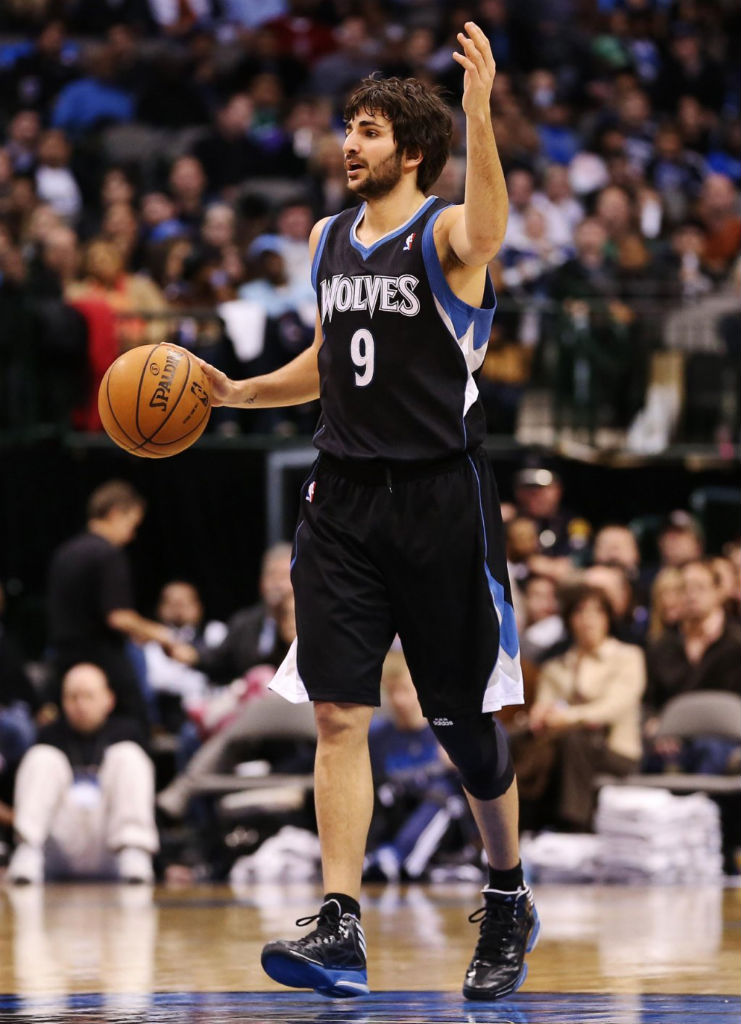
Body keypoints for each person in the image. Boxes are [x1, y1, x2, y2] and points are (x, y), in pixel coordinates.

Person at [196, 23, 538, 1002]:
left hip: (441, 496)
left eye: (370, 130)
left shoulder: (443, 235)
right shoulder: (324, 240)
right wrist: (239, 392)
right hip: (341, 501)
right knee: (339, 711)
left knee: (462, 723)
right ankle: (339, 921)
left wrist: (479, 114)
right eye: (348, 126)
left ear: (413, 151)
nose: (349, 143)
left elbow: (487, 229)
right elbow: (330, 357)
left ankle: (507, 888)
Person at [7, 663, 158, 884]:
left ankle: (135, 853)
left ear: (109, 699)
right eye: (72, 697)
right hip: (61, 842)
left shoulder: (128, 732)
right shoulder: (49, 735)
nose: (80, 704)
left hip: (111, 842)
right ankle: (27, 851)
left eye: (88, 696)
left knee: (128, 755)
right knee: (42, 756)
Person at [46, 480, 178, 726]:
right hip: (103, 662)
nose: (132, 534)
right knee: (135, 725)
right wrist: (163, 635)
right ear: (115, 513)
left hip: (63, 664)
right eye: (131, 524)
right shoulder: (108, 554)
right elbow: (118, 617)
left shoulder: (64, 553)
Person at [523, 584, 646, 831]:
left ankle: (574, 825)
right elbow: (545, 707)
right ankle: (513, 827)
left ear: (608, 618)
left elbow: (614, 707)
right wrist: (541, 715)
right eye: (580, 612)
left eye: (597, 612)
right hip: (560, 746)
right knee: (520, 739)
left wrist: (567, 717)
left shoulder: (628, 657)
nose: (588, 620)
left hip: (615, 750)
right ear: (569, 620)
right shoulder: (555, 666)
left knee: (574, 740)